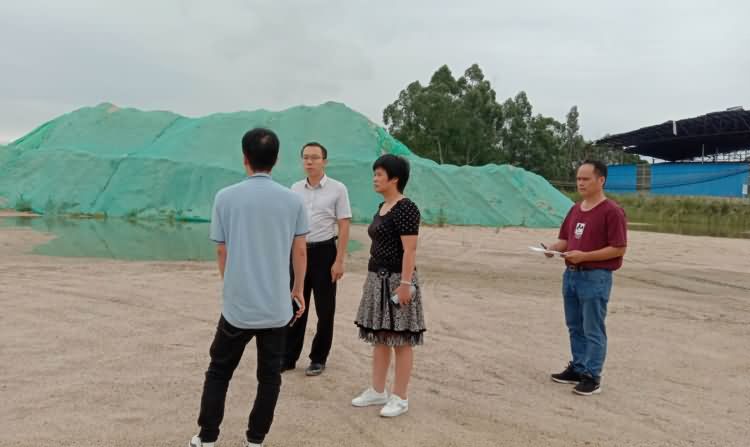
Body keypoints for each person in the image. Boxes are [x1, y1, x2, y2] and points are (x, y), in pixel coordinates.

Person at [188, 128, 308, 447]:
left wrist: (231, 285)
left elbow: (222, 250)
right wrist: (297, 290)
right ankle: (255, 440)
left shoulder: (225, 197)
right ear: (276, 160)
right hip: (276, 308)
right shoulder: (293, 201)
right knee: (269, 377)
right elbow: (299, 251)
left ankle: (207, 437)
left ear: (245, 158)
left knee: (219, 371)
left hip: (237, 307)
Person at [544, 160, 627, 396]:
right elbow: (566, 239)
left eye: (586, 179)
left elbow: (618, 248)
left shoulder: (612, 211)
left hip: (595, 277)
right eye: (578, 178)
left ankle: (592, 376)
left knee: (593, 328)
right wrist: (553, 249)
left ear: (601, 180)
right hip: (571, 275)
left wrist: (585, 256)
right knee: (574, 325)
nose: (580, 183)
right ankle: (578, 367)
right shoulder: (575, 209)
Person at [351, 154, 426, 418]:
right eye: (375, 173)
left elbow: (410, 250)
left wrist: (405, 283)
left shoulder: (406, 208)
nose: (375, 178)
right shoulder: (383, 206)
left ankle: (400, 397)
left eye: (379, 174)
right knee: (380, 337)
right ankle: (377, 390)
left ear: (395, 178)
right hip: (377, 279)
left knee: (401, 340)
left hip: (397, 280)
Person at [282, 142, 352, 376]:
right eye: (305, 157)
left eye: (314, 157)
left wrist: (339, 260)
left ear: (325, 161)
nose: (309, 161)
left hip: (325, 253)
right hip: (298, 252)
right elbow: (289, 222)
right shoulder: (294, 189)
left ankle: (318, 358)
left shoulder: (338, 189)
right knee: (295, 305)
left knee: (325, 309)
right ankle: (288, 357)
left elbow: (344, 225)